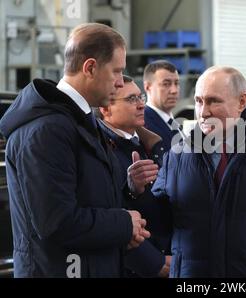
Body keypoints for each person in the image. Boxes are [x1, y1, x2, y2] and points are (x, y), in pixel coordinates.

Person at [0, 23, 150, 278]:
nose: (119, 83)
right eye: (116, 71)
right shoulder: (47, 130)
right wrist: (124, 224)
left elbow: (88, 196)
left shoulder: (78, 121)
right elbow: (57, 222)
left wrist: (128, 194)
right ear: (90, 67)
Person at [152, 66, 246, 278]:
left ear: (242, 102)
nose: (204, 112)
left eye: (213, 101)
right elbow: (158, 225)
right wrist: (136, 191)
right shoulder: (175, 157)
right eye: (198, 101)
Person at [96, 75, 172, 277]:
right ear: (106, 108)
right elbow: (107, 214)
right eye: (131, 99)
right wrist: (155, 262)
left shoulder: (151, 144)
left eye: (141, 98)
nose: (141, 105)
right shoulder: (100, 152)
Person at [143, 60, 181, 152]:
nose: (174, 90)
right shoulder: (143, 124)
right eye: (166, 84)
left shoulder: (173, 123)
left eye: (176, 83)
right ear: (148, 87)